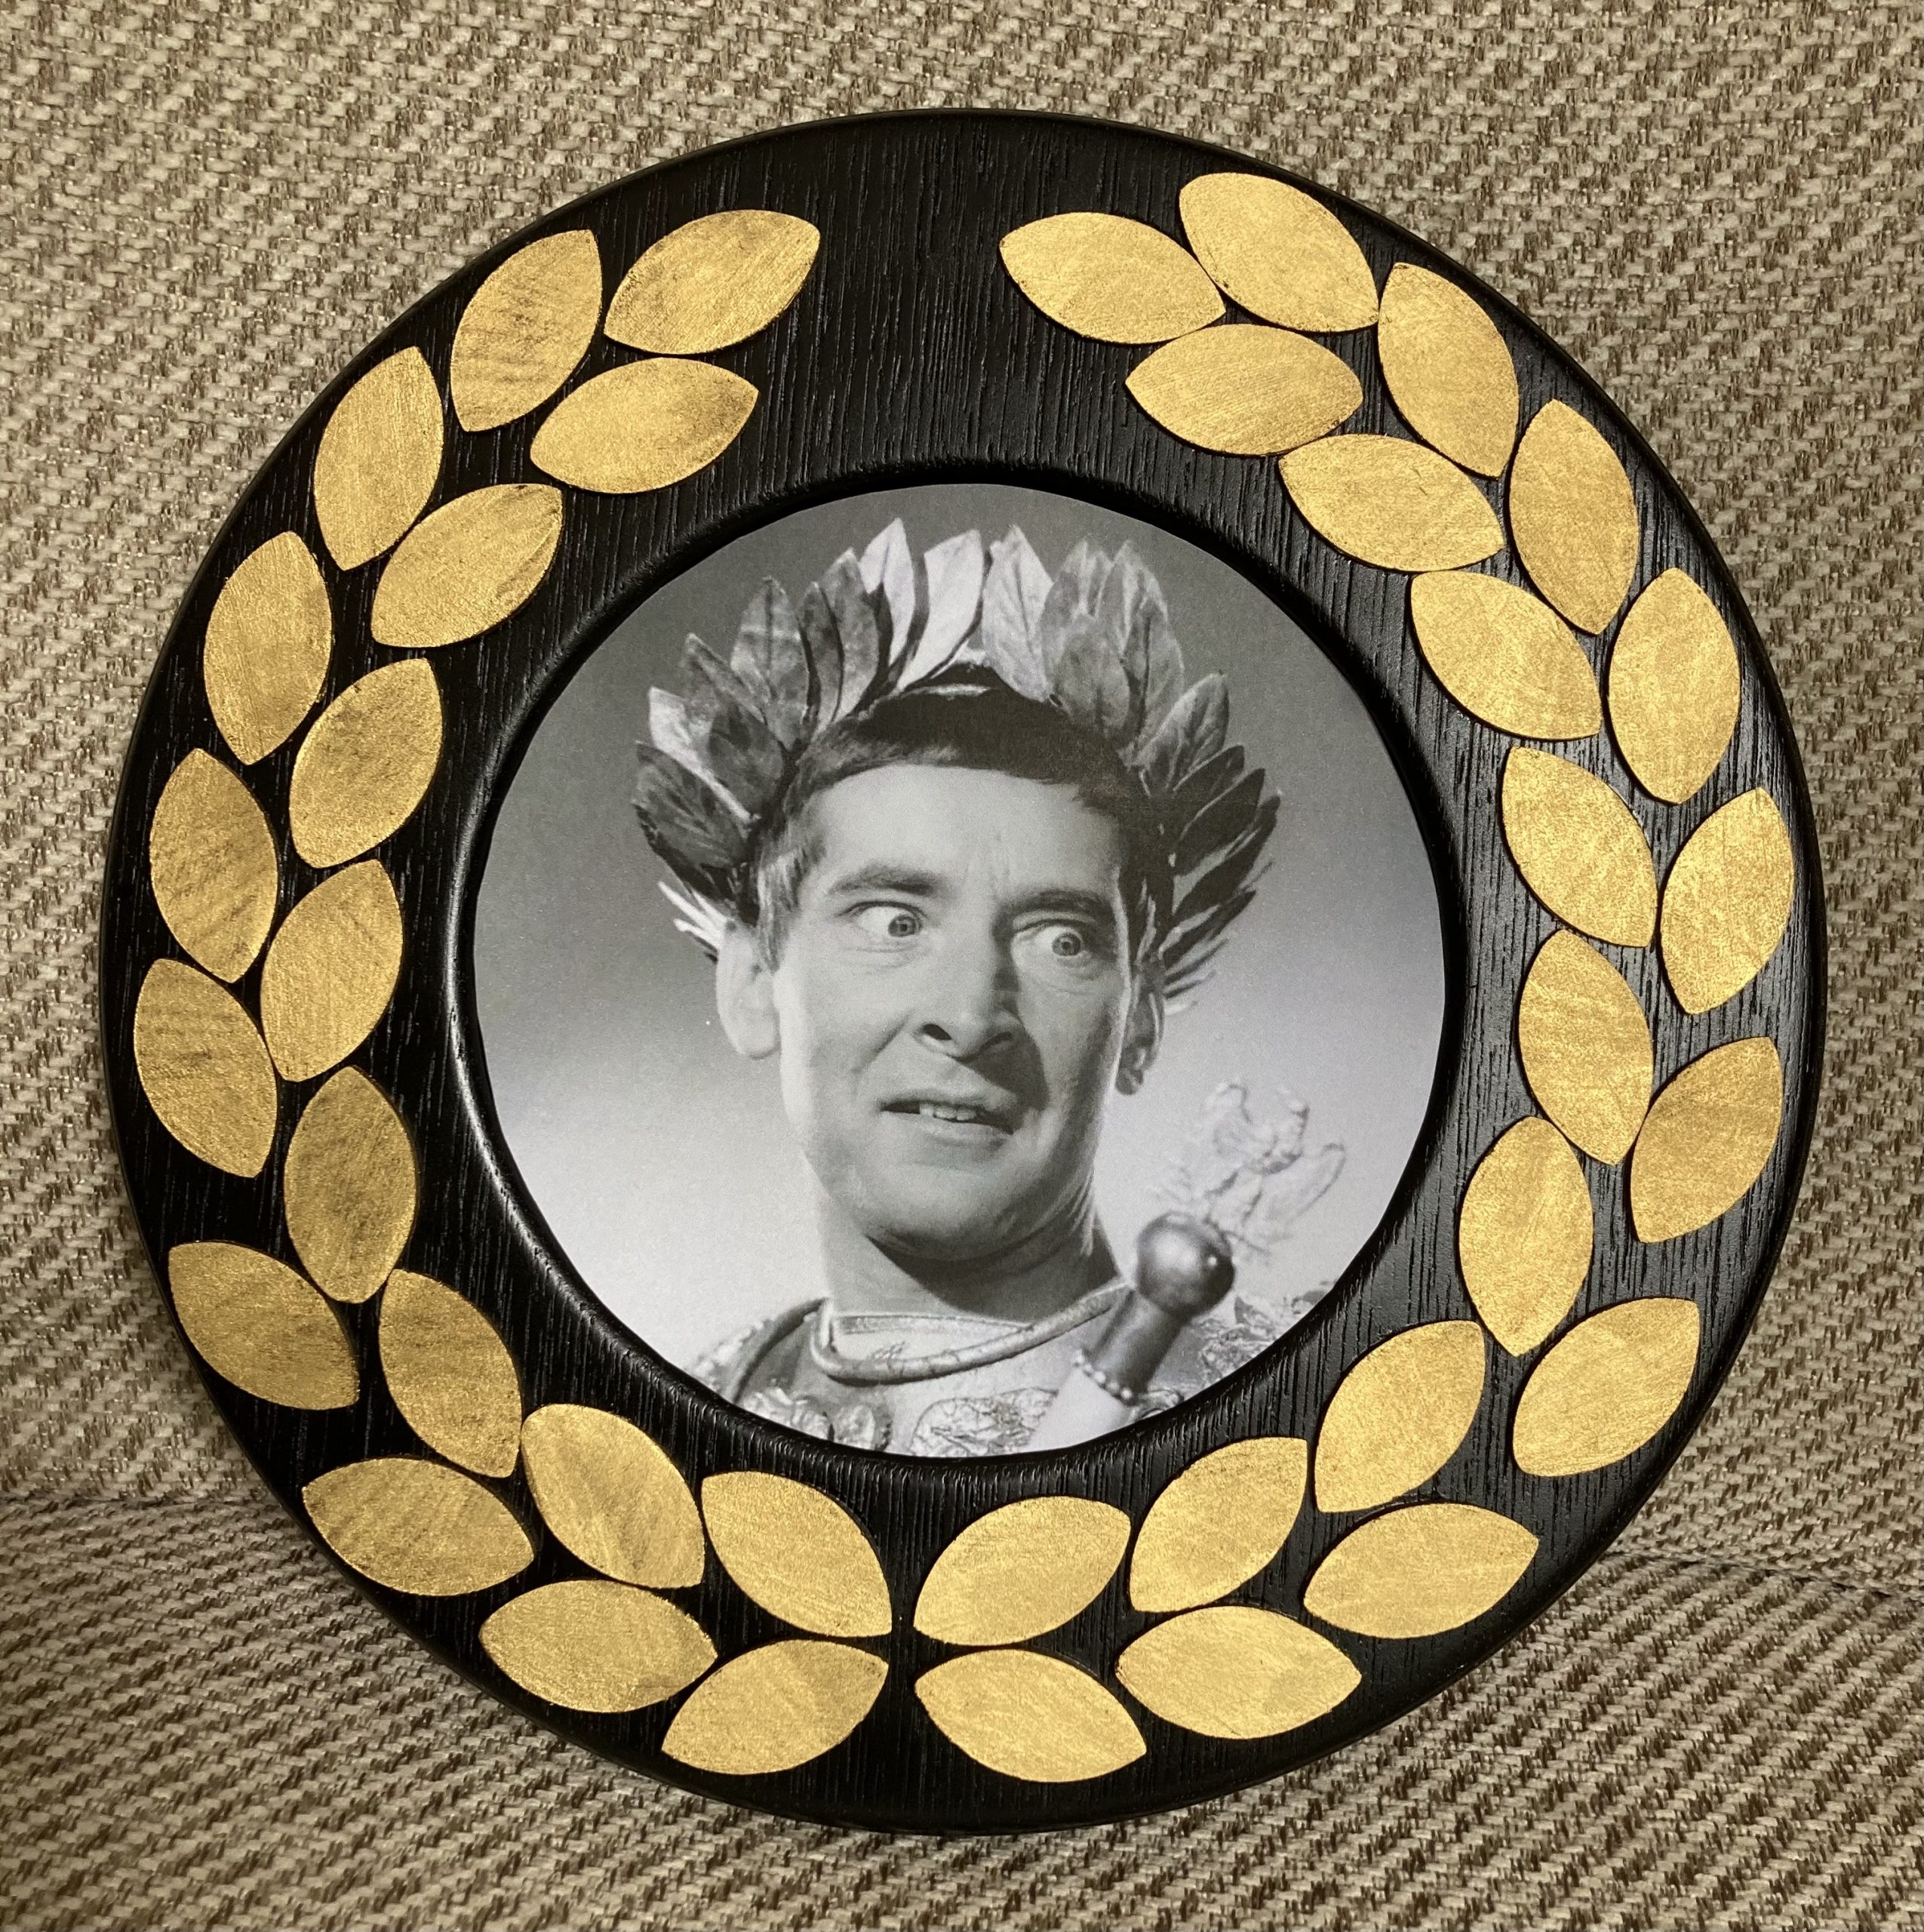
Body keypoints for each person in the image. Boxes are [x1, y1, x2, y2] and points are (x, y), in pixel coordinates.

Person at [632, 520, 1320, 1455]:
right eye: (893, 922)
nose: (968, 1016)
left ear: (1142, 1020)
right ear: (752, 983)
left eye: (1061, 939)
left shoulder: (1293, 1413)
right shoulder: (680, 1422)